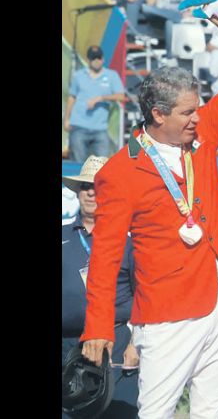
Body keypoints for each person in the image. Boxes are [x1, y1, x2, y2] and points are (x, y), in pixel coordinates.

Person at [79, 15, 218, 418]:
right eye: (187, 112)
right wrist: (98, 327)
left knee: (211, 410)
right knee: (156, 412)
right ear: (158, 115)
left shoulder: (202, 134)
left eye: (197, 109)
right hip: (168, 311)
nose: (198, 118)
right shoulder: (119, 172)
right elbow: (105, 257)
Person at [62, 156, 139, 419]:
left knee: (117, 413)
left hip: (116, 344)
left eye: (98, 186)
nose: (91, 192)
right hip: (66, 344)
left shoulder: (130, 241)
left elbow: (144, 296)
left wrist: (136, 343)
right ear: (78, 192)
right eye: (85, 186)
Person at [64, 46, 126, 162]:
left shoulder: (111, 75)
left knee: (102, 164)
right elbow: (72, 98)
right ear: (88, 60)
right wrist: (66, 119)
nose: (96, 61)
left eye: (99, 58)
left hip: (100, 128)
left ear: (103, 59)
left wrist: (101, 98)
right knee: (78, 163)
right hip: (78, 126)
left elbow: (121, 96)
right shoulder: (78, 76)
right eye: (93, 58)